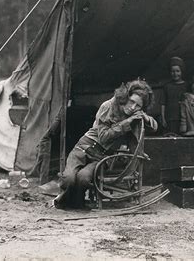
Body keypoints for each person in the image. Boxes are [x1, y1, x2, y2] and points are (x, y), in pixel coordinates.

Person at [54, 79, 158, 209]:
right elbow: (103, 137)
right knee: (68, 179)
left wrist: (145, 117)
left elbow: (154, 127)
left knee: (83, 178)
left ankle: (78, 202)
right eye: (131, 102)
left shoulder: (135, 113)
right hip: (84, 147)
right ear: (126, 97)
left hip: (101, 156)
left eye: (138, 106)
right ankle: (65, 199)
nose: (132, 107)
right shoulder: (108, 106)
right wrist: (126, 123)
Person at [161, 56, 187, 135]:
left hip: (183, 119)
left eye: (177, 71)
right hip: (170, 119)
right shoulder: (167, 86)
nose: (175, 74)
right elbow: (163, 103)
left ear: (181, 71)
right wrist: (163, 118)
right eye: (173, 71)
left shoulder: (186, 86)